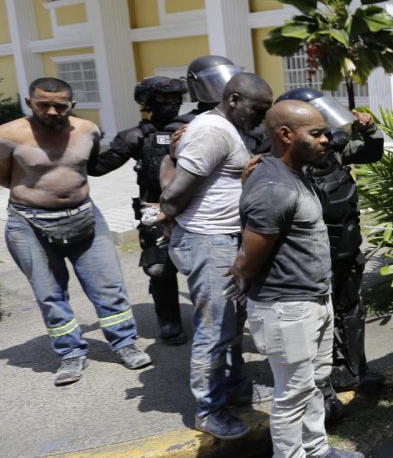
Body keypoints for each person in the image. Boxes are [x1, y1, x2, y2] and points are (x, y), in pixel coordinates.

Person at [226, 100, 362, 458]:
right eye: (316, 133)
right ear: (286, 134)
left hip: (313, 298)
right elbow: (249, 255)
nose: (326, 140)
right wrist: (241, 276)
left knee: (313, 382)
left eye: (325, 132)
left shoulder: (293, 173)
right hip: (287, 307)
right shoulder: (274, 186)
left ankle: (316, 450)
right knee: (292, 393)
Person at [1, 78, 152, 386]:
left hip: (85, 217)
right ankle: (70, 352)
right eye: (43, 104)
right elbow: (3, 175)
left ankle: (124, 343)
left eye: (60, 106)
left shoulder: (88, 130)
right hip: (29, 224)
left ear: (72, 105)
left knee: (108, 285)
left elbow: (87, 166)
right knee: (49, 293)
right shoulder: (7, 135)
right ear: (29, 103)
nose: (52, 111)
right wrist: (38, 195)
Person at [160, 72, 273, 440]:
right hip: (209, 241)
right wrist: (171, 219)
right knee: (215, 329)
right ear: (235, 99)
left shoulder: (226, 128)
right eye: (258, 110)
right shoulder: (211, 131)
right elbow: (174, 193)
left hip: (225, 239)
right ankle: (209, 410)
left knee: (232, 324)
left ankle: (235, 389)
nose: (262, 118)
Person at [275, 88, 386, 417]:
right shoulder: (283, 164)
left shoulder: (334, 153)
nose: (323, 137)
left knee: (351, 311)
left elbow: (372, 152)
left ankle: (353, 372)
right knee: (315, 324)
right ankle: (320, 389)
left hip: (346, 251)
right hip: (309, 260)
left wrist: (369, 130)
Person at [89, 75, 190, 345]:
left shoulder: (195, 127)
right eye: (163, 98)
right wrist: (86, 139)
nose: (171, 104)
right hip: (153, 208)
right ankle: (169, 320)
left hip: (194, 207)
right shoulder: (135, 136)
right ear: (148, 102)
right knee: (158, 269)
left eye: (175, 98)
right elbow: (98, 168)